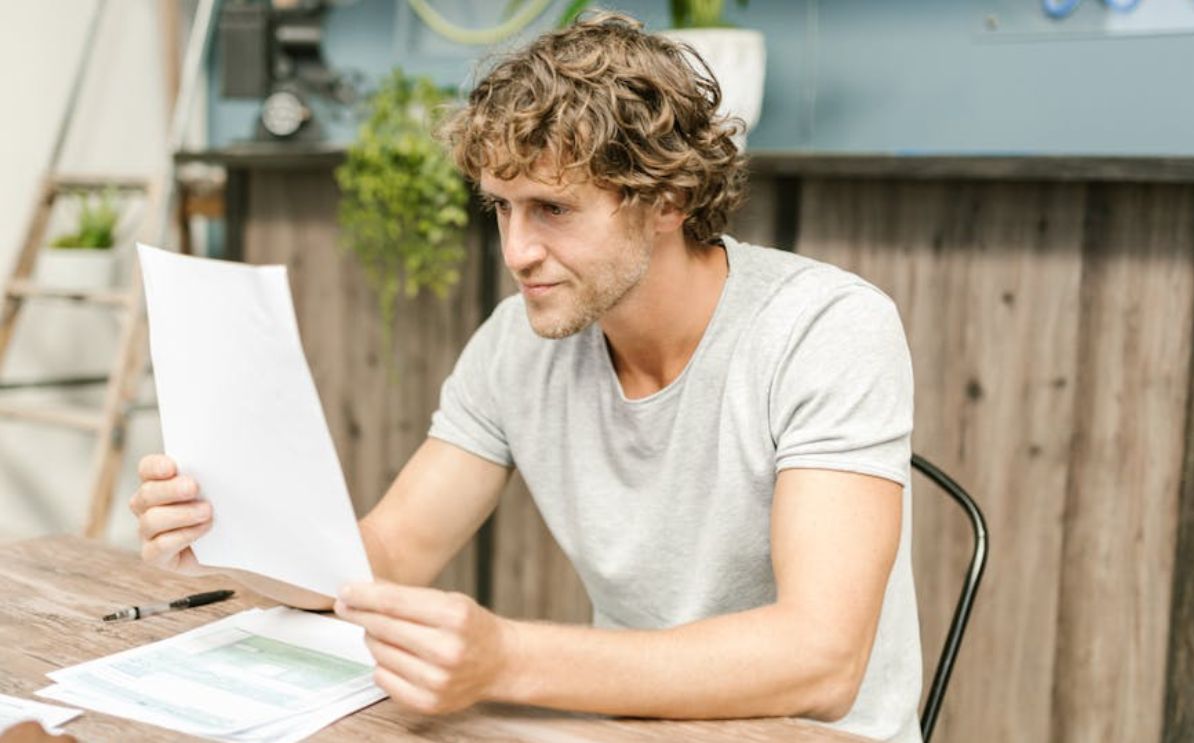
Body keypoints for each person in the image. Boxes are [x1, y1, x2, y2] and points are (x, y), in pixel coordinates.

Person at [131, 12, 921, 743]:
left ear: (667, 200)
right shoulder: (519, 342)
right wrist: (233, 532)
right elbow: (393, 550)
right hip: (634, 726)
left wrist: (506, 658)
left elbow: (822, 659)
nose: (515, 252)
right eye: (500, 208)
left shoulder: (825, 329)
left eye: (551, 208)